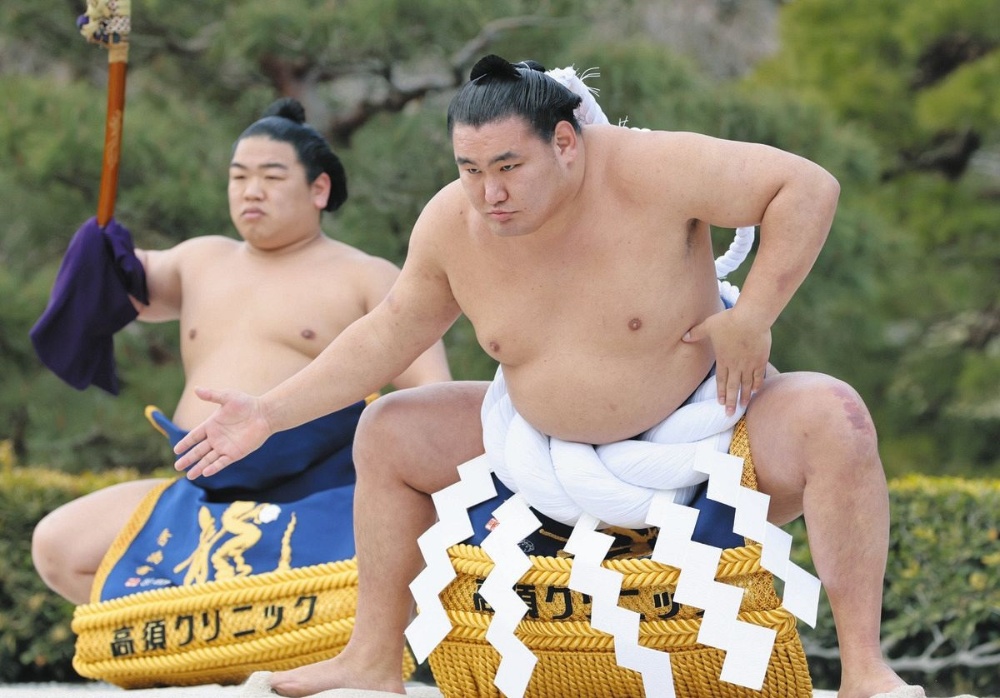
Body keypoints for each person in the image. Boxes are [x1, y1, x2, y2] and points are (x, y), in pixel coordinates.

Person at [173, 57, 921, 698]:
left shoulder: (653, 168)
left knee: (837, 416)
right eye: (470, 170)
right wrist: (268, 413)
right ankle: (372, 657)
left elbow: (806, 187)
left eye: (508, 168)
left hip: (706, 436)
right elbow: (390, 331)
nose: (489, 193)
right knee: (390, 428)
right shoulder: (454, 224)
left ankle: (865, 670)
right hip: (534, 457)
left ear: (565, 143)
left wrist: (753, 315)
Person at [30, 97, 451, 606]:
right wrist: (99, 246)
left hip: (327, 495)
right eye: (238, 177)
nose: (252, 190)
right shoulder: (197, 260)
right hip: (202, 496)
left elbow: (434, 395)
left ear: (319, 188)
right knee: (60, 545)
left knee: (415, 555)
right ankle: (207, 643)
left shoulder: (367, 277)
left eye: (272, 176)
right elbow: (121, 284)